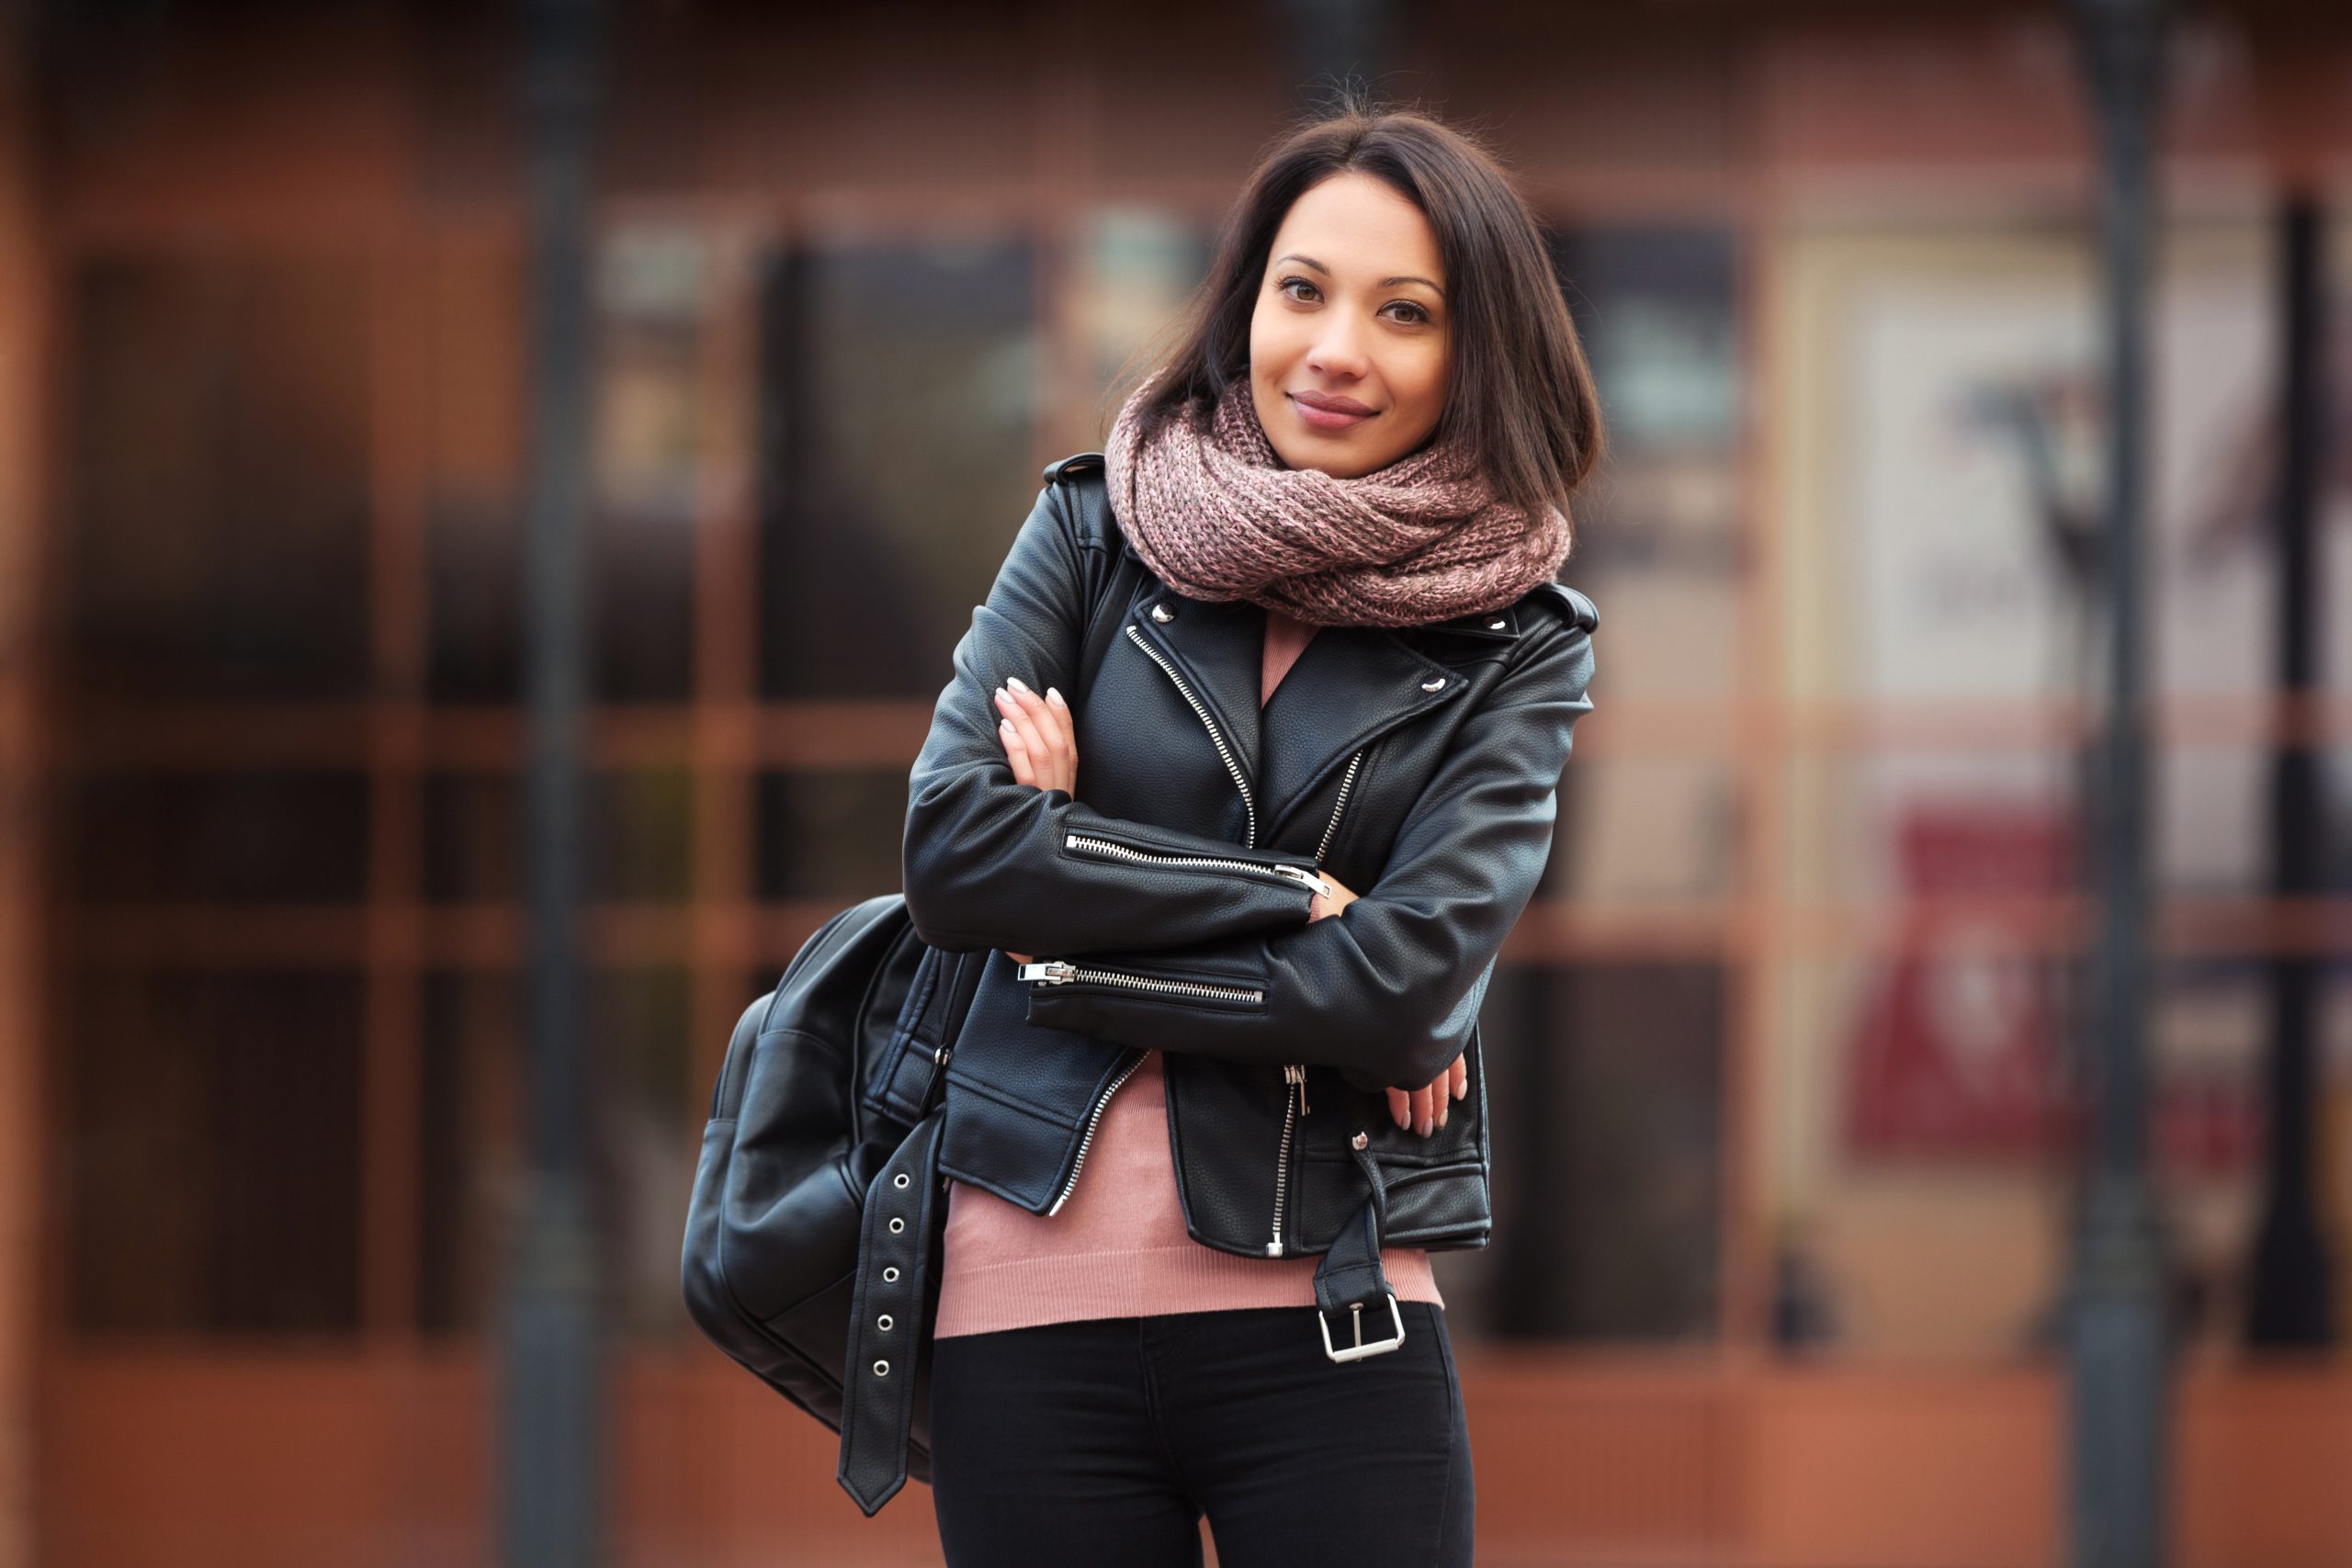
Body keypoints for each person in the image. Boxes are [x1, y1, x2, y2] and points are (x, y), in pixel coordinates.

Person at [897, 95, 1603, 1568]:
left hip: (1332, 1313)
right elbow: (958, 850)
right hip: (1024, 1315)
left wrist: (1071, 919)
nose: (1337, 349)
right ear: (1247, 304)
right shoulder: (1097, 531)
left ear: (1476, 353)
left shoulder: (1518, 641)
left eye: (1405, 313)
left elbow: (1406, 988)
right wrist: (1306, 900)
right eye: (1303, 290)